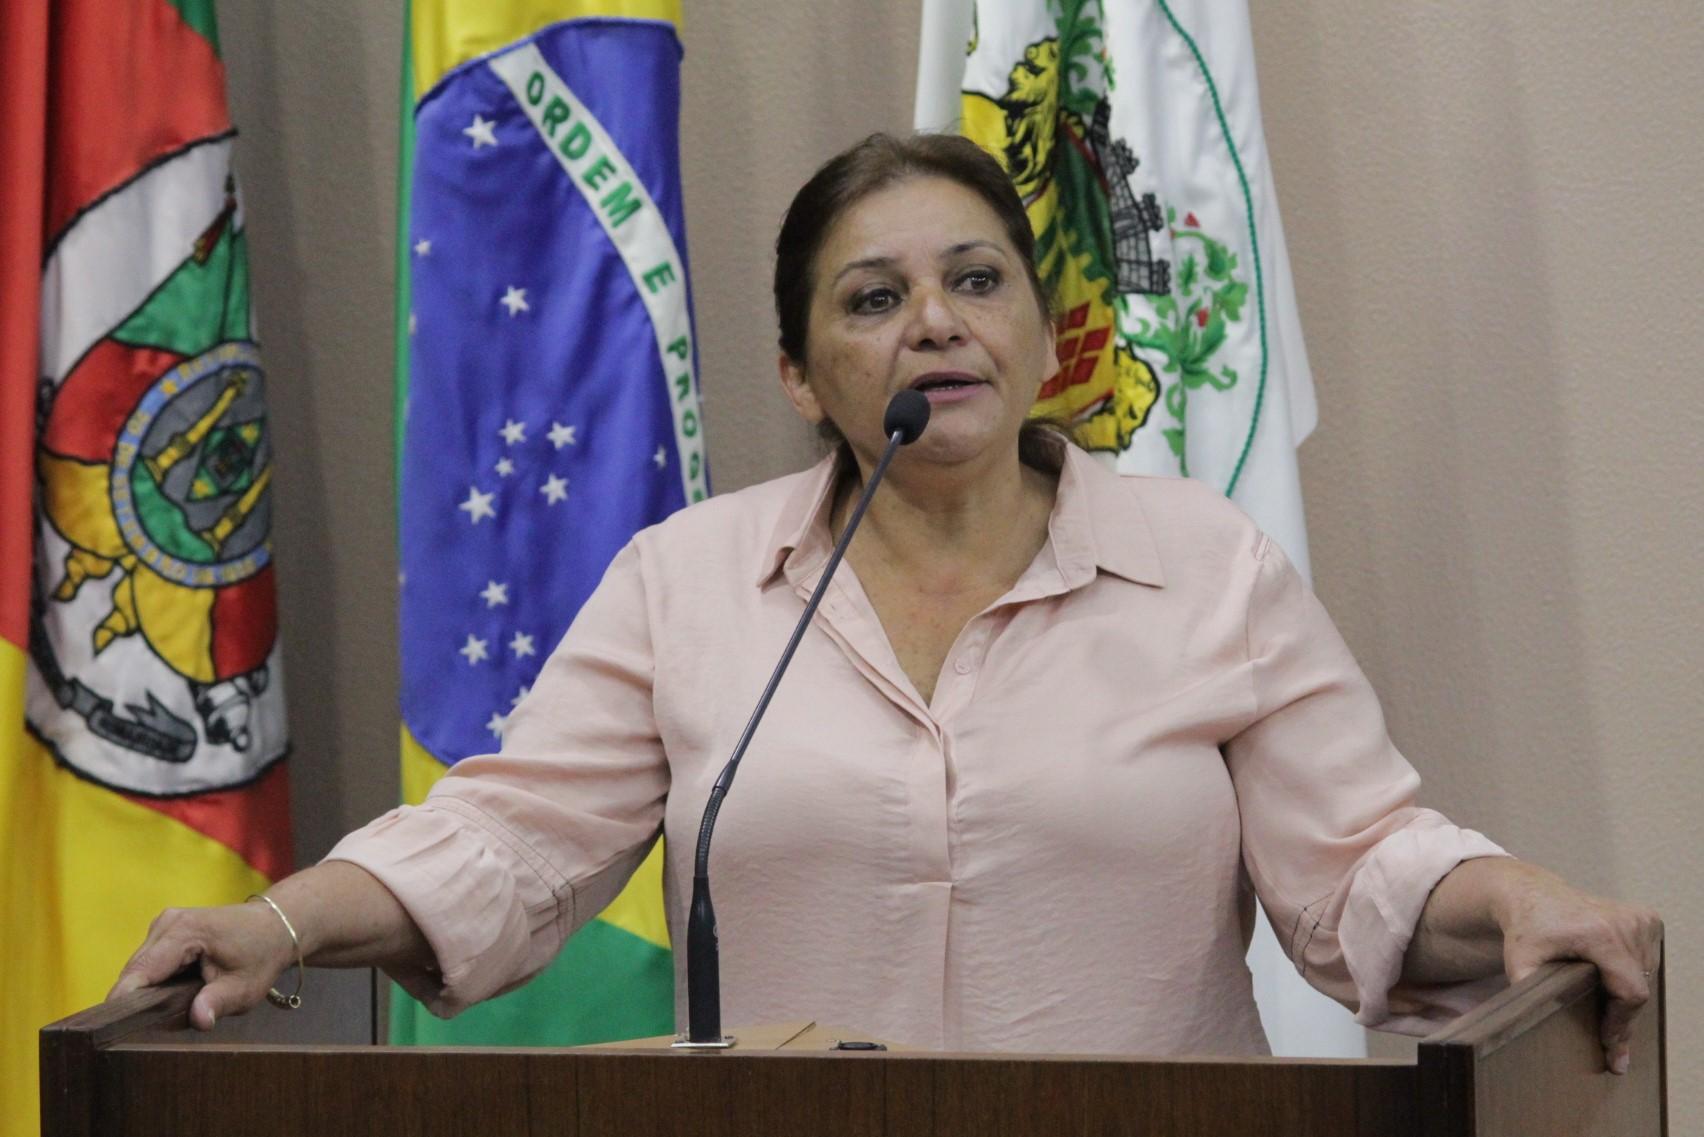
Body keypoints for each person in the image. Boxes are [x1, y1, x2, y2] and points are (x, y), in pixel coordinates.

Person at [111, 133, 1661, 1069]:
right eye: (873, 298)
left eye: (977, 281)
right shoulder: (695, 585)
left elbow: (1361, 863)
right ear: (800, 370)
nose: (936, 322)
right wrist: (275, 919)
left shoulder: (1207, 567)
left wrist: (1513, 890)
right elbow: (508, 839)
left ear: (1041, 332)